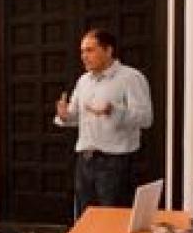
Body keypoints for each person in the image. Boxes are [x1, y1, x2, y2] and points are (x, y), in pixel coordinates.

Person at [55, 28, 153, 215]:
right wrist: (65, 116)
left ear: (108, 50)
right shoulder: (83, 81)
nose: (84, 56)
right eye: (82, 51)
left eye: (90, 50)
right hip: (85, 161)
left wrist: (114, 111)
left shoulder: (131, 78)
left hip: (116, 163)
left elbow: (146, 118)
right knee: (85, 218)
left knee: (112, 219)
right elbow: (77, 117)